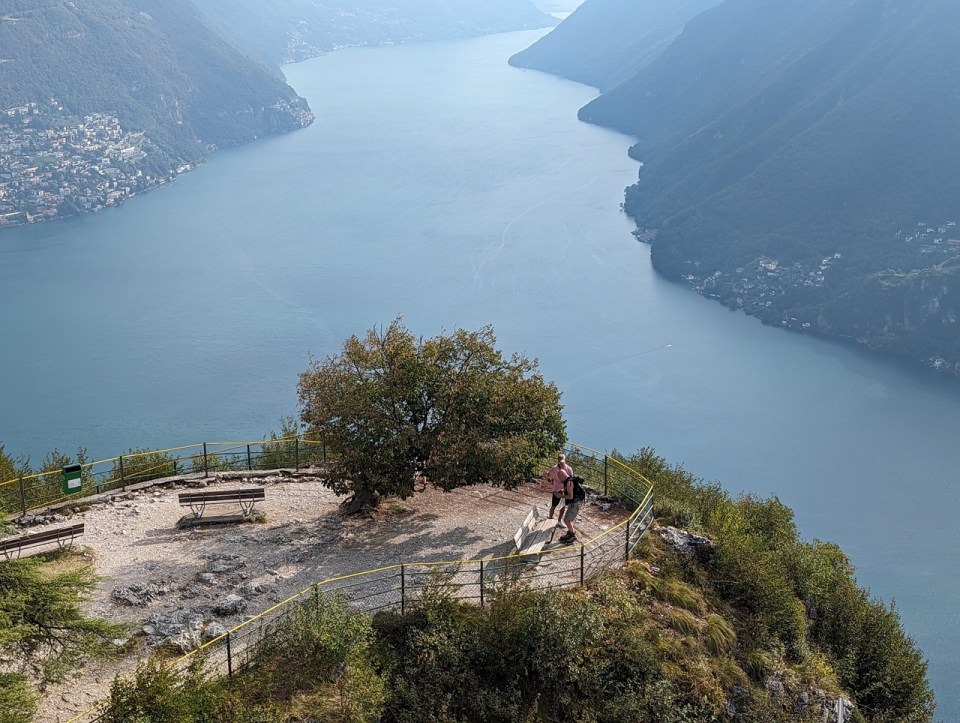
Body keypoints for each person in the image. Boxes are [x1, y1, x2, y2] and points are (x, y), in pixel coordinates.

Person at [545, 453, 573, 527]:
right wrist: (547, 475)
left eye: (562, 461)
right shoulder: (554, 468)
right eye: (560, 462)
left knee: (563, 506)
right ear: (558, 461)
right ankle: (550, 518)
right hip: (557, 489)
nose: (561, 463)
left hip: (565, 490)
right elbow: (548, 474)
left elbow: (571, 479)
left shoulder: (569, 469)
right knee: (554, 505)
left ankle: (559, 521)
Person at [559, 474, 586, 543]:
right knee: (568, 520)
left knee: (566, 520)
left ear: (562, 476)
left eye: (559, 476)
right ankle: (570, 533)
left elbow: (570, 496)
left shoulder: (569, 482)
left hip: (574, 504)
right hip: (574, 503)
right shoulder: (570, 479)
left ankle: (572, 535)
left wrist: (560, 496)